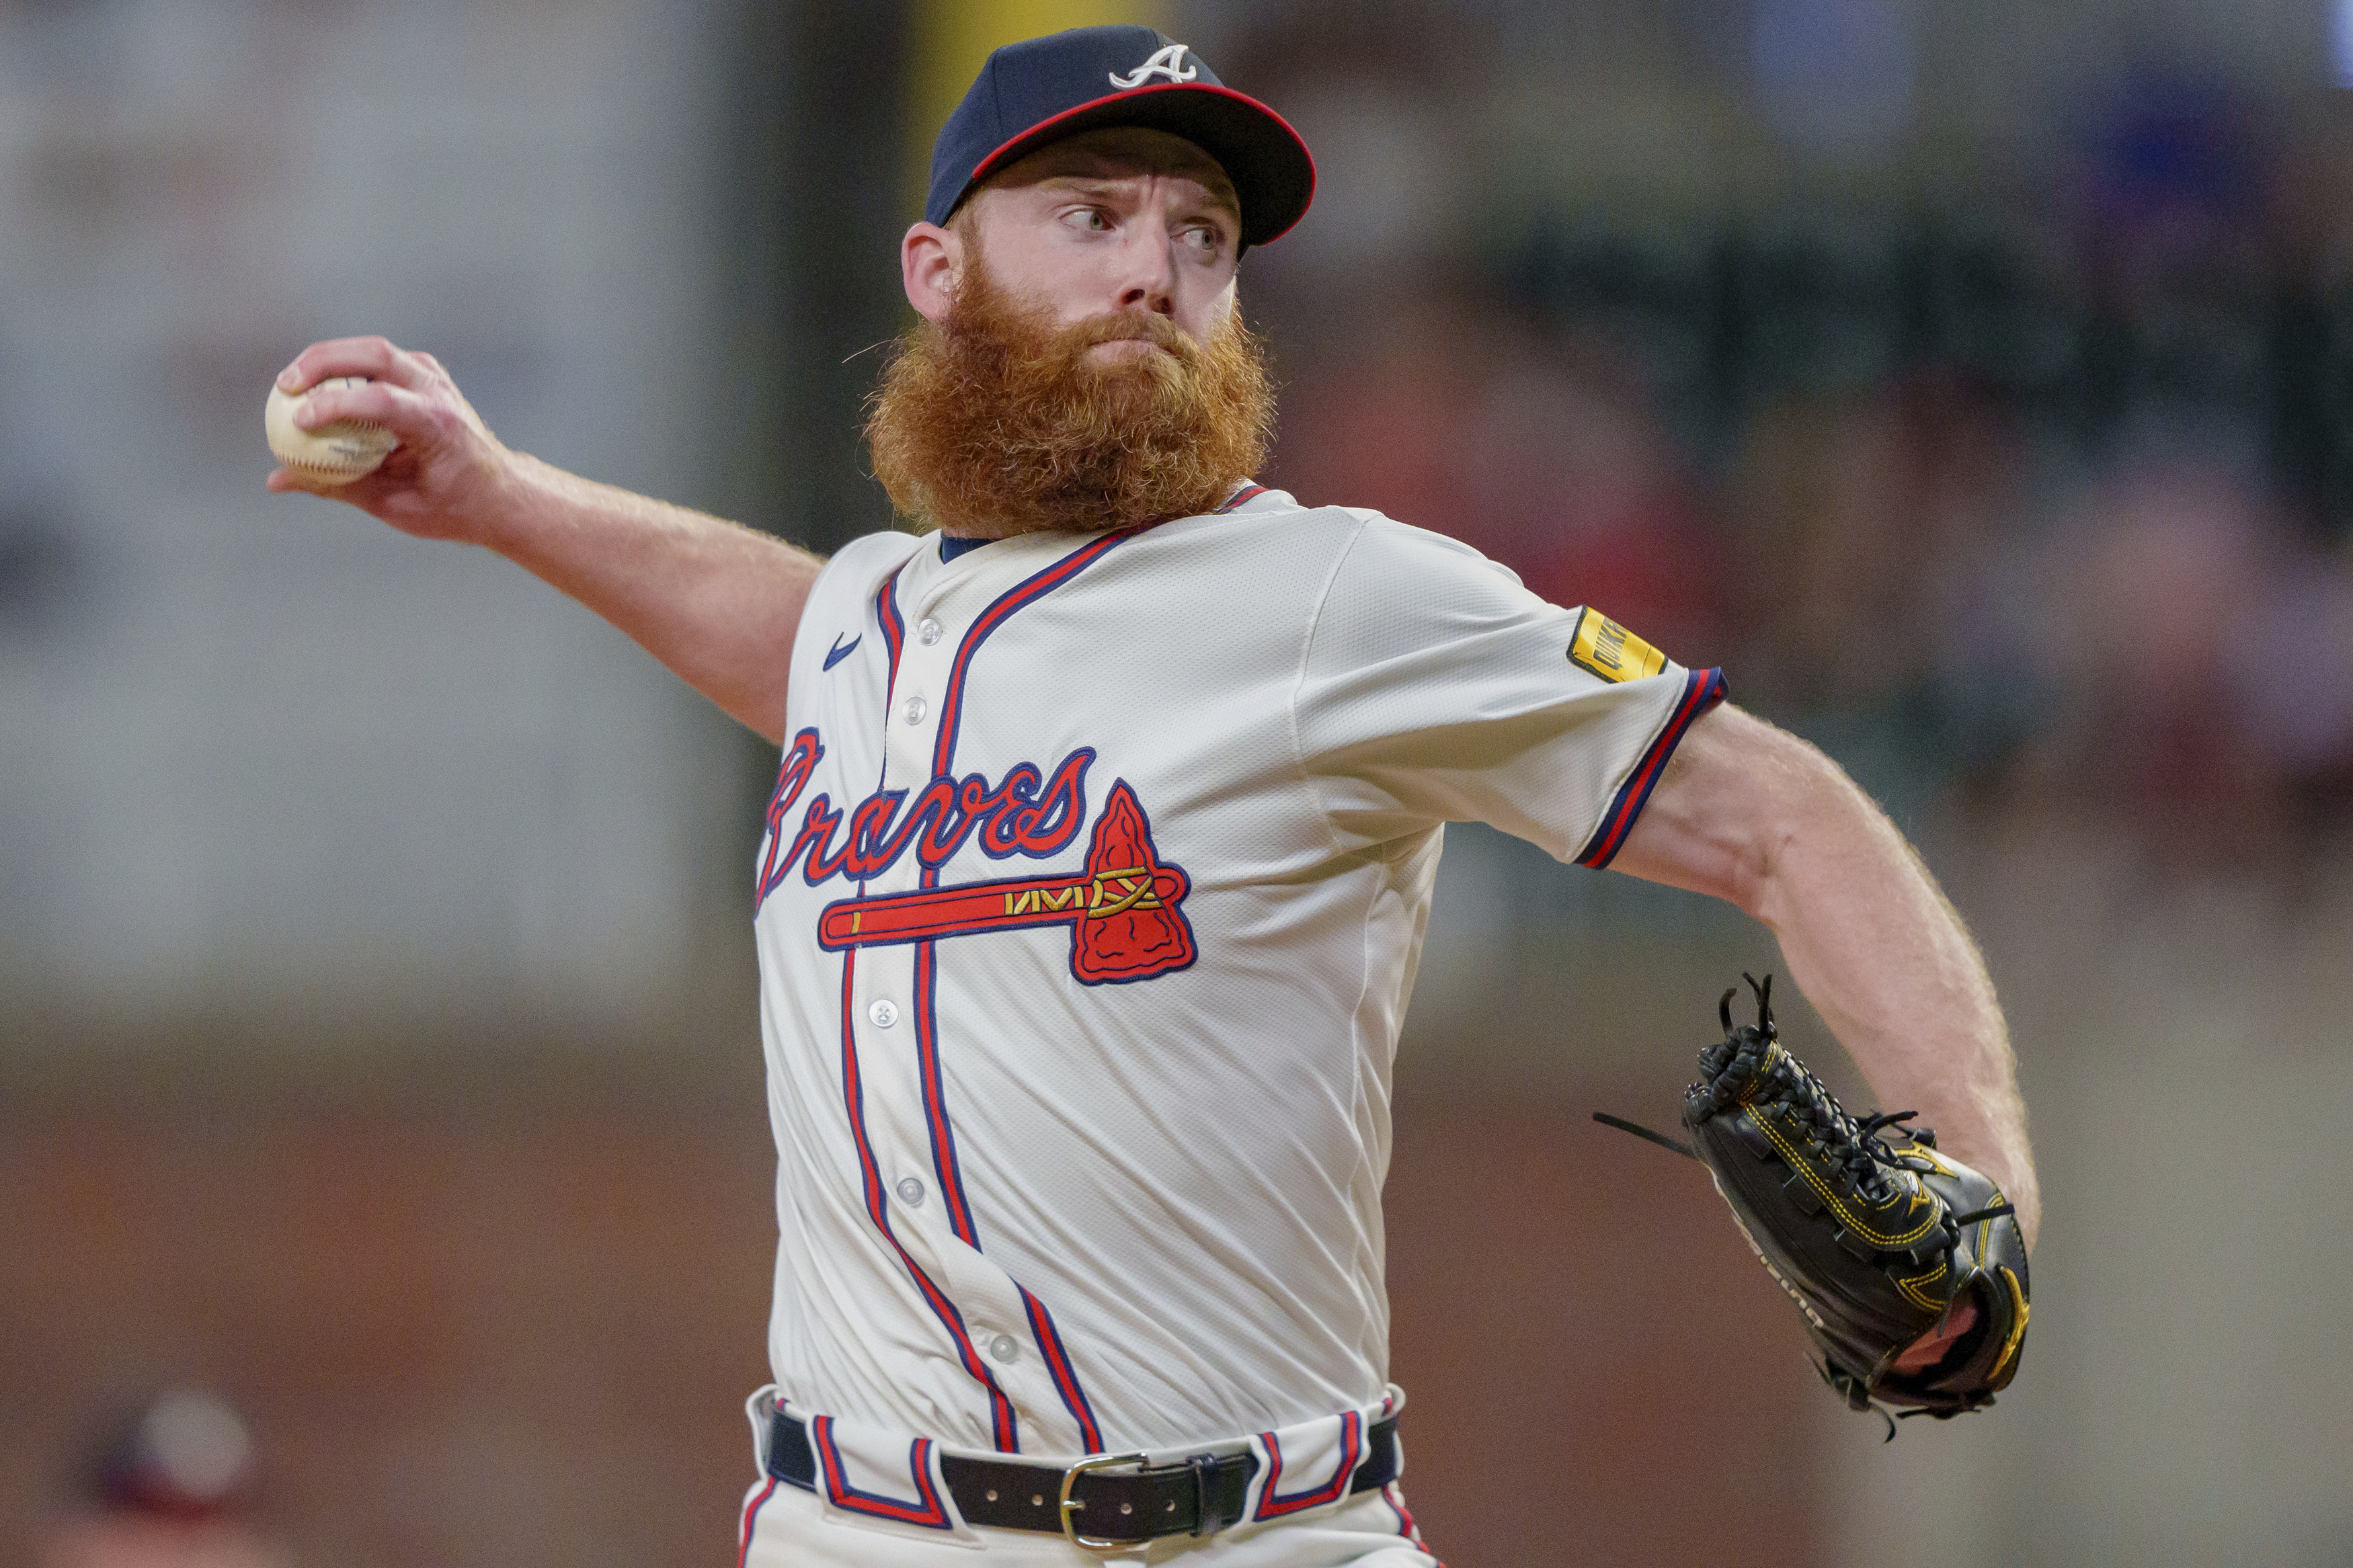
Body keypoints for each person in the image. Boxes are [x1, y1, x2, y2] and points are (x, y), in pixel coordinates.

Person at [267, 26, 2038, 1567]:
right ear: (934, 268)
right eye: (1090, 216)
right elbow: (786, 621)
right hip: (863, 1531)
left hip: (1267, 1530)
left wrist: (1980, 1186)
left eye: (1202, 236)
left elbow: (1786, 815)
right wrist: (499, 496)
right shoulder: (874, 627)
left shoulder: (1336, 601)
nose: (1154, 271)